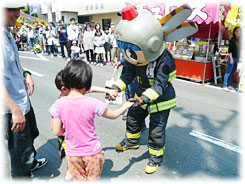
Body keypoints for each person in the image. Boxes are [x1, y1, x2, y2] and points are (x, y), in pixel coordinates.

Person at [112, 5, 197, 174]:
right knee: (133, 118)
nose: (128, 55)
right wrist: (115, 88)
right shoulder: (132, 54)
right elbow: (127, 76)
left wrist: (143, 99)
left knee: (156, 130)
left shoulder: (164, 58)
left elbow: (159, 84)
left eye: (131, 51)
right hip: (141, 93)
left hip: (161, 98)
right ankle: (131, 142)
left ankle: (155, 158)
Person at [49, 60, 133, 180]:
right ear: (86, 85)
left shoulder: (58, 104)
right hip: (92, 151)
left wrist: (68, 132)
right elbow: (114, 115)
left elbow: (56, 131)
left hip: (72, 153)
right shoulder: (93, 103)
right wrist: (126, 105)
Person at [2, 4, 48, 178]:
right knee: (19, 153)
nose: (17, 14)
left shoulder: (7, 33)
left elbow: (13, 64)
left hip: (22, 101)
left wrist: (26, 73)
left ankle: (31, 161)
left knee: (32, 134)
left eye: (19, 8)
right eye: (11, 9)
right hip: (11, 109)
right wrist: (14, 111)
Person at [223, 26, 241, 91]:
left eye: (239, 31)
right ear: (234, 32)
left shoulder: (240, 41)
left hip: (237, 59)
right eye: (236, 31)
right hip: (232, 58)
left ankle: (230, 85)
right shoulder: (232, 40)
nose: (238, 32)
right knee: (228, 72)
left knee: (233, 73)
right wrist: (231, 59)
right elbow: (229, 51)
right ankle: (224, 86)